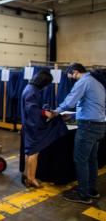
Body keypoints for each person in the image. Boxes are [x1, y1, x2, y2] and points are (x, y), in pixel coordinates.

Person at [52, 63, 106, 204]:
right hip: (99, 125)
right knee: (91, 159)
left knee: (80, 159)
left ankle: (83, 195)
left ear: (75, 72)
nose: (71, 79)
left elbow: (70, 101)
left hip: (88, 127)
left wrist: (56, 111)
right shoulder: (97, 81)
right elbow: (93, 105)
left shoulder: (84, 81)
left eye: (71, 77)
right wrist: (75, 115)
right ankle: (92, 190)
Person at [20, 70, 54, 188]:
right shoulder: (31, 91)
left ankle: (26, 175)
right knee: (34, 152)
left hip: (29, 124)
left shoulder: (30, 88)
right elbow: (31, 109)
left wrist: (43, 108)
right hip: (32, 125)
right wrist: (45, 112)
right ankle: (31, 178)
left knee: (30, 152)